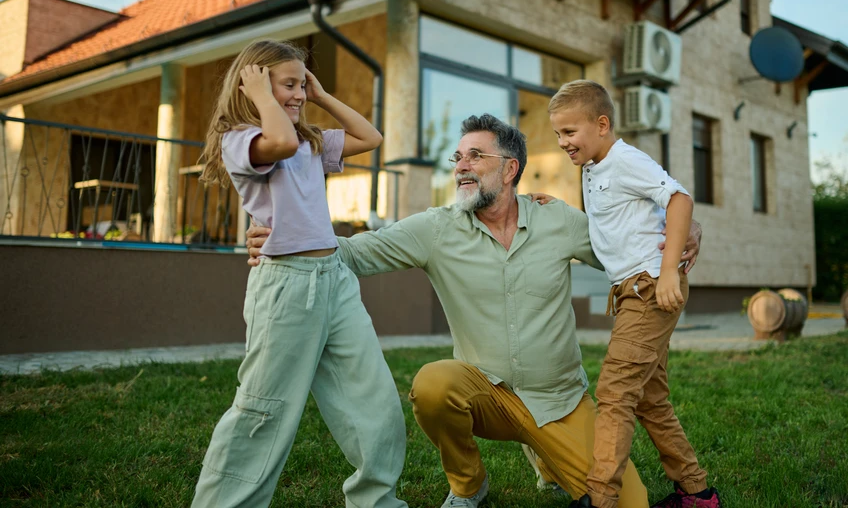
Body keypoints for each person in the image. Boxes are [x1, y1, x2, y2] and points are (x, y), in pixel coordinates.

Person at [246, 113, 703, 508]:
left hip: (559, 400)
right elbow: (357, 253)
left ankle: (546, 454)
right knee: (432, 385)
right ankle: (469, 485)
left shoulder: (557, 220)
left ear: (510, 169)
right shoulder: (437, 229)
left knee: (629, 502)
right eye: (458, 158)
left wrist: (684, 226)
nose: (462, 166)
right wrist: (289, 238)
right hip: (486, 394)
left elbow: (628, 246)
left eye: (475, 157)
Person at [192, 39, 408, 508]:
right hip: (287, 287)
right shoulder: (241, 141)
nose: (298, 93)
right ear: (253, 86)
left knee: (375, 401)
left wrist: (321, 96)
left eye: (301, 83)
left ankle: (377, 501)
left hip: (335, 281)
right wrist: (265, 96)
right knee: (264, 412)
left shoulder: (309, 140)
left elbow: (370, 138)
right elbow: (281, 141)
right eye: (289, 84)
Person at [545, 80, 720, 508]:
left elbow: (679, 198)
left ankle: (601, 499)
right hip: (630, 291)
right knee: (651, 400)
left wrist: (667, 275)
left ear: (601, 124)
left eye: (570, 133)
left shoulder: (624, 159)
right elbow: (612, 225)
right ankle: (698, 495)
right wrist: (550, 206)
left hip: (649, 290)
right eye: (558, 134)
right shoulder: (590, 167)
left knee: (616, 392)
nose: (563, 143)